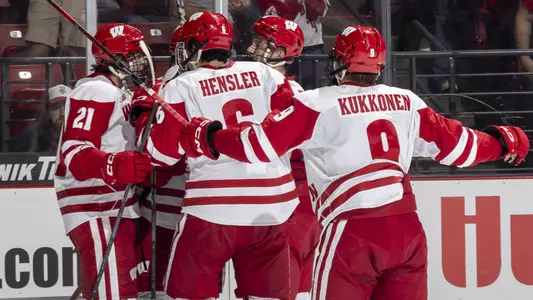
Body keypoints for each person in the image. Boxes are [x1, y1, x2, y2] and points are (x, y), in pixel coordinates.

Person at [181, 25, 531, 300]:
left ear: (339, 60)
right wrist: (501, 141)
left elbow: (256, 145)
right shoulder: (405, 100)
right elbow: (461, 148)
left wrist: (208, 135)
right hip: (407, 233)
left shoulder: (317, 102)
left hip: (352, 231)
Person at [135, 11, 298, 300]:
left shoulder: (180, 85)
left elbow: (160, 155)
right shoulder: (268, 75)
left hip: (212, 210)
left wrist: (151, 113)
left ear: (194, 47)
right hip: (272, 209)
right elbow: (294, 129)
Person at [54, 23, 155, 299]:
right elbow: (74, 151)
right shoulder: (97, 90)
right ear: (116, 59)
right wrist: (112, 165)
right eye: (133, 55)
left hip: (115, 207)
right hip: (98, 208)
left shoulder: (117, 92)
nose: (139, 62)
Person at [247, 15, 319, 300]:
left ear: (280, 51)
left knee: (276, 286)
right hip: (300, 199)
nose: (252, 49)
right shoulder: (295, 90)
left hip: (286, 199)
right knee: (297, 286)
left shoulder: (278, 88)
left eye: (260, 43)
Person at [130, 24, 190, 300]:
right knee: (153, 289)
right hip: (162, 210)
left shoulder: (212, 86)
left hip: (203, 212)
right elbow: (143, 139)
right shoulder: (156, 89)